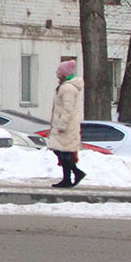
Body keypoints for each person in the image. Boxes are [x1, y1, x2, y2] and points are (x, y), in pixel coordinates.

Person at [48, 59, 86, 188]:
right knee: (61, 151)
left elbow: (67, 108)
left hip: (67, 126)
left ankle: (76, 173)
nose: (56, 72)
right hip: (65, 124)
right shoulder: (65, 86)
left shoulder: (68, 88)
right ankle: (67, 179)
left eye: (58, 71)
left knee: (63, 152)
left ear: (63, 73)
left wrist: (62, 125)